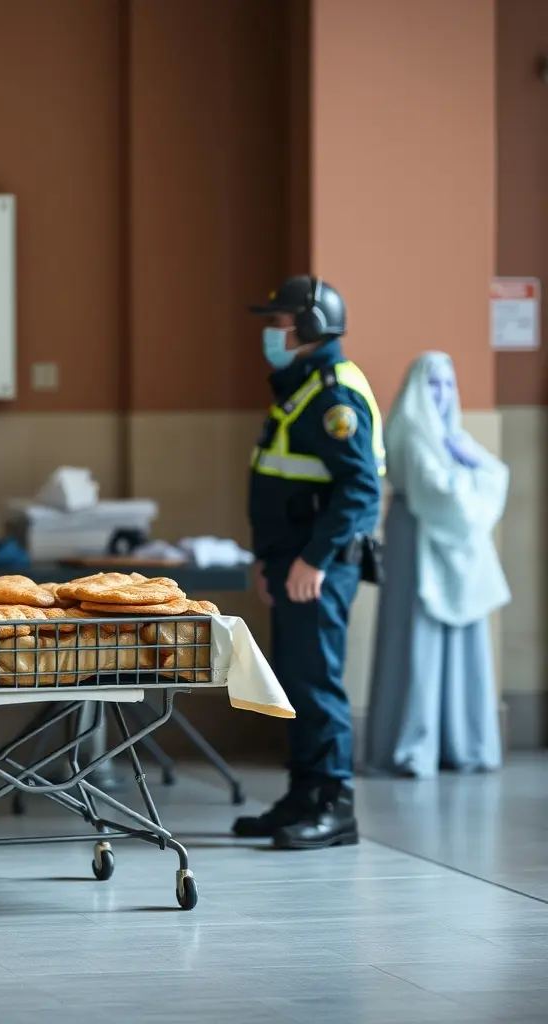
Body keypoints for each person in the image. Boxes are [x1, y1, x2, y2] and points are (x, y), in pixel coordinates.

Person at [233, 275, 384, 850]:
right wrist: (269, 561)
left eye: (278, 322)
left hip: (317, 565)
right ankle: (303, 794)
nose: (271, 333)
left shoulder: (333, 396)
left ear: (309, 325)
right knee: (296, 681)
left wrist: (313, 561)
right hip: (292, 562)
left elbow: (360, 489)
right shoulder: (302, 386)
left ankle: (334, 806)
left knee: (317, 682)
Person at [365, 352, 508, 778]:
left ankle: (462, 742)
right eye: (433, 384)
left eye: (448, 384)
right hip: (418, 543)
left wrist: (471, 466)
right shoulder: (410, 433)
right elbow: (444, 496)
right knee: (417, 641)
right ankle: (414, 746)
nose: (442, 393)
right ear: (416, 388)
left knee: (460, 645)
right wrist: (474, 475)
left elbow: (495, 476)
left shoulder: (451, 436)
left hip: (451, 548)